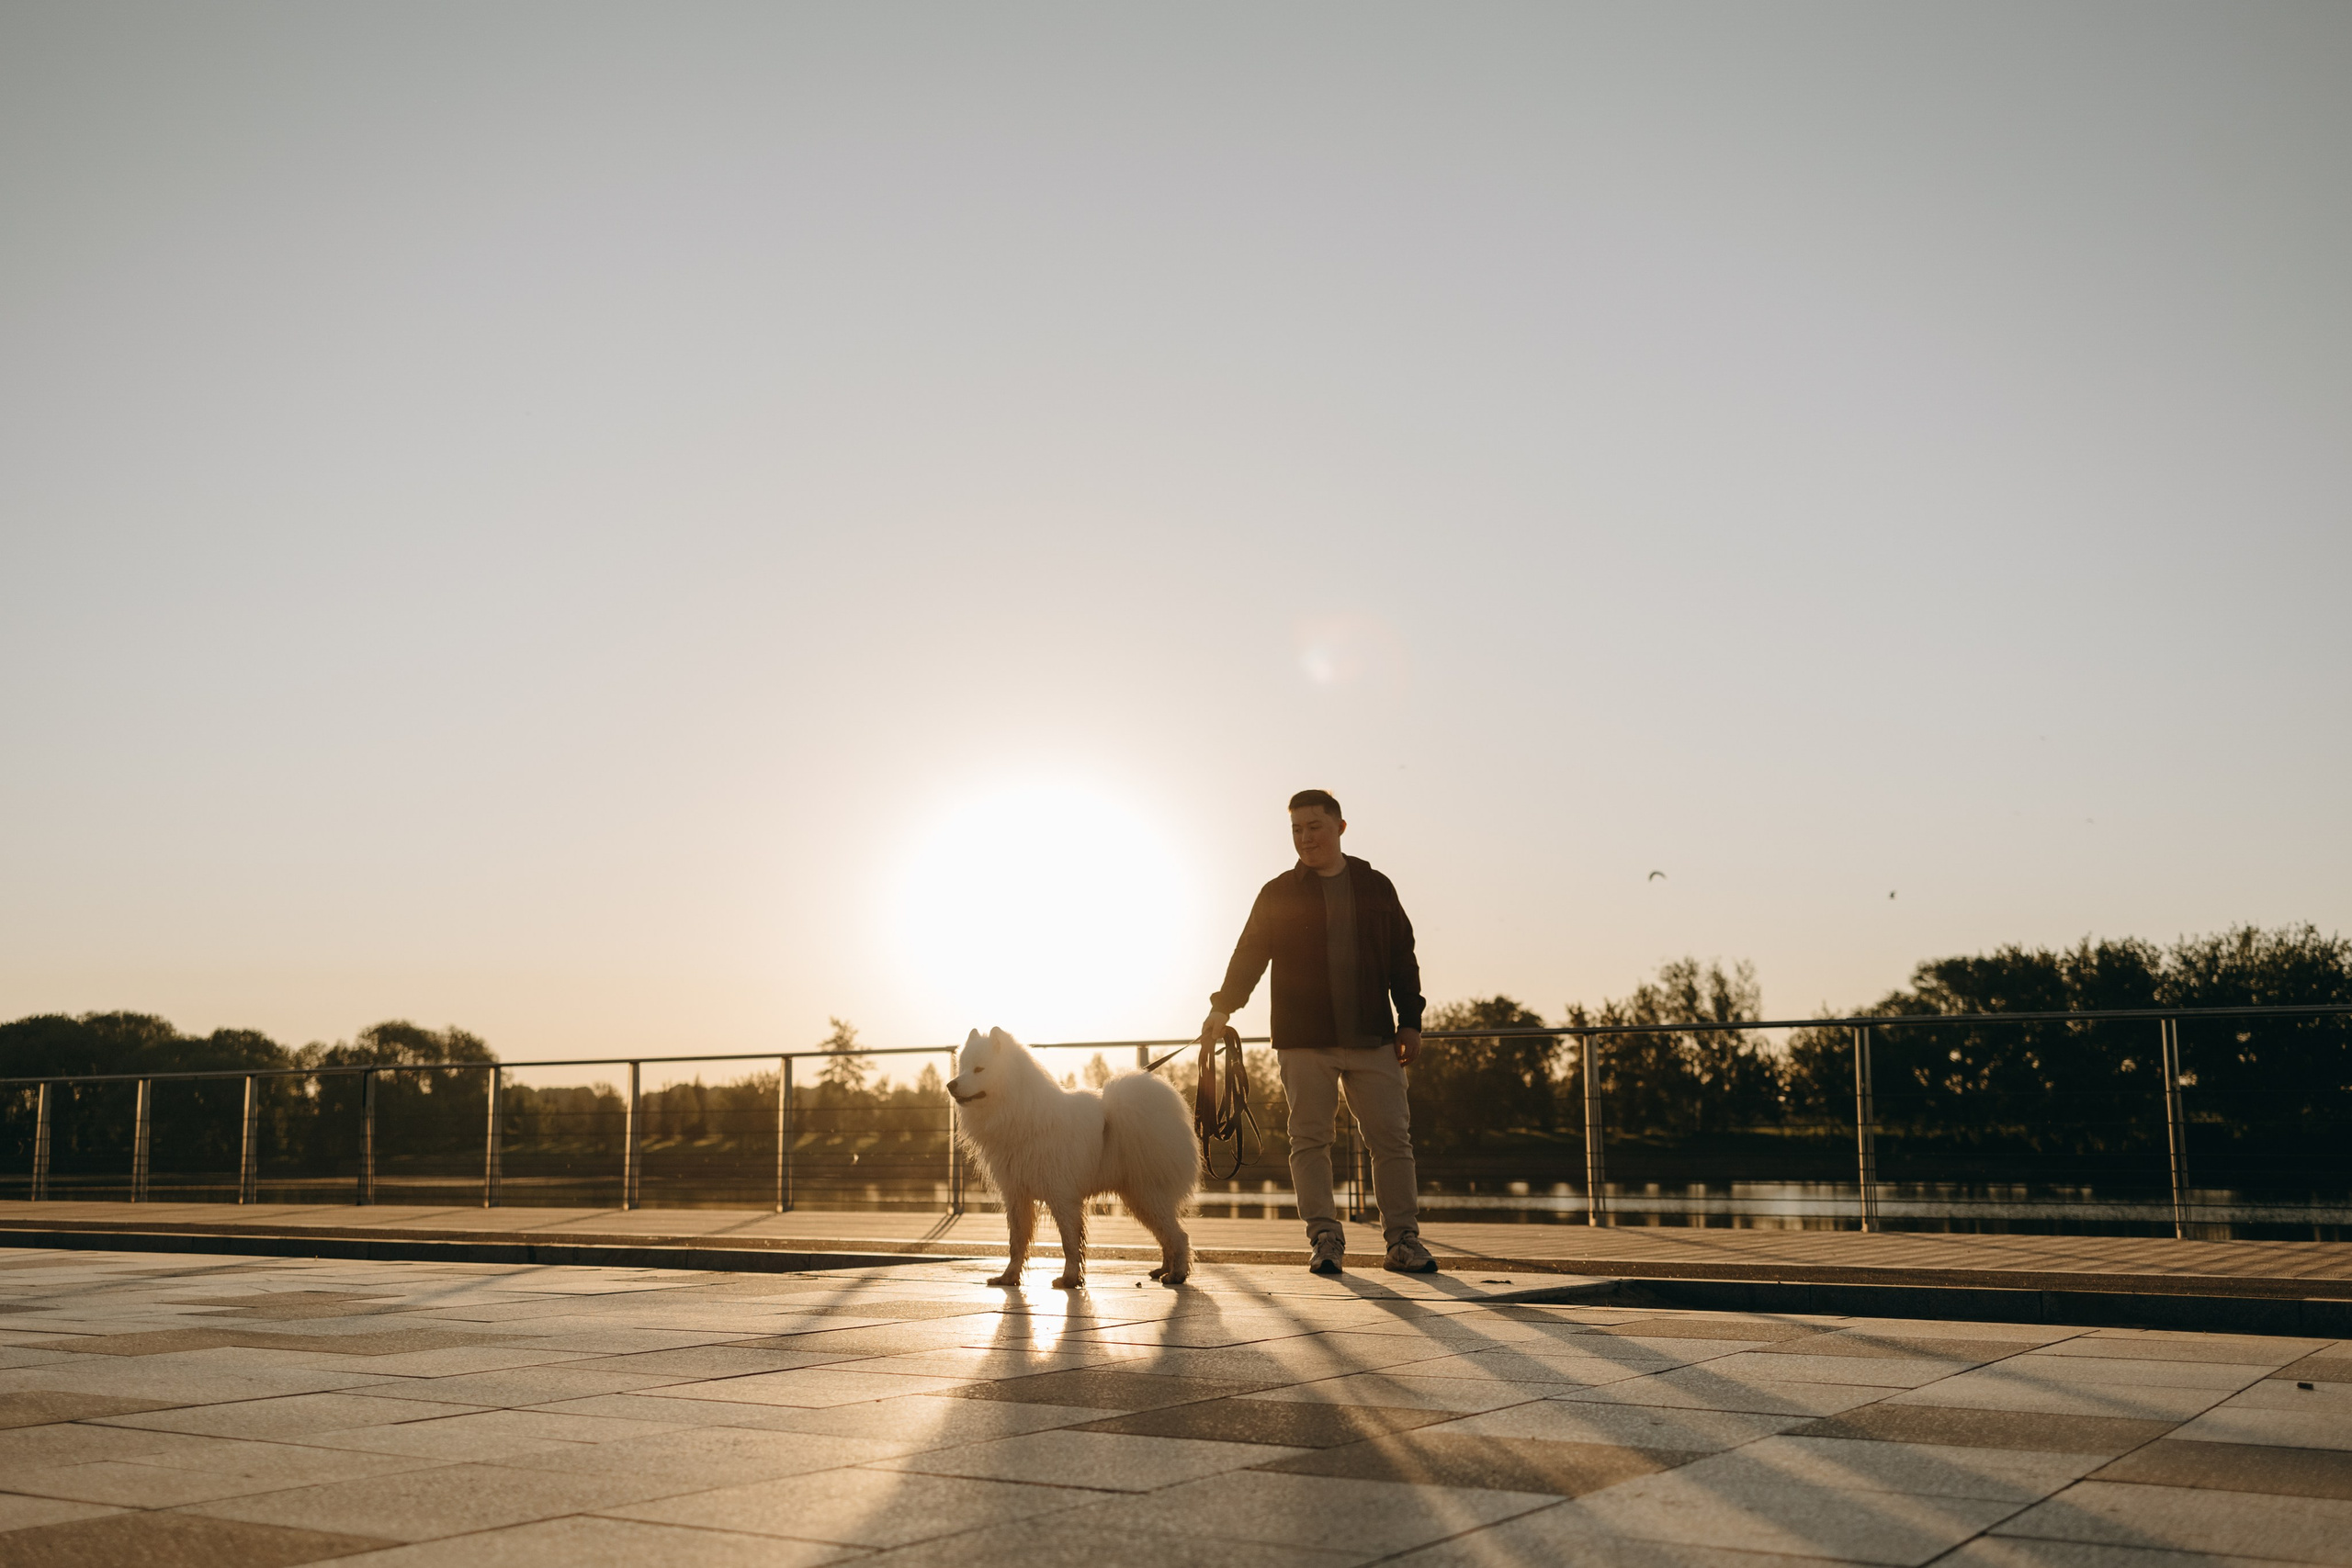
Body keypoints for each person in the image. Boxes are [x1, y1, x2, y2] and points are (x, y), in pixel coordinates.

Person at [1199, 789, 1437, 1275]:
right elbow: (1249, 955)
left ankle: (1403, 1242)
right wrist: (1223, 1008)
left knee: (1392, 1140)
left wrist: (1410, 1019)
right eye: (1296, 830)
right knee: (1309, 1140)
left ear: (1340, 828)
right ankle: (1325, 1237)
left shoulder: (1376, 886)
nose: (1305, 838)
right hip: (1304, 1039)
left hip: (1374, 1037)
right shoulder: (1278, 892)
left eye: (1314, 827)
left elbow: (1402, 957)